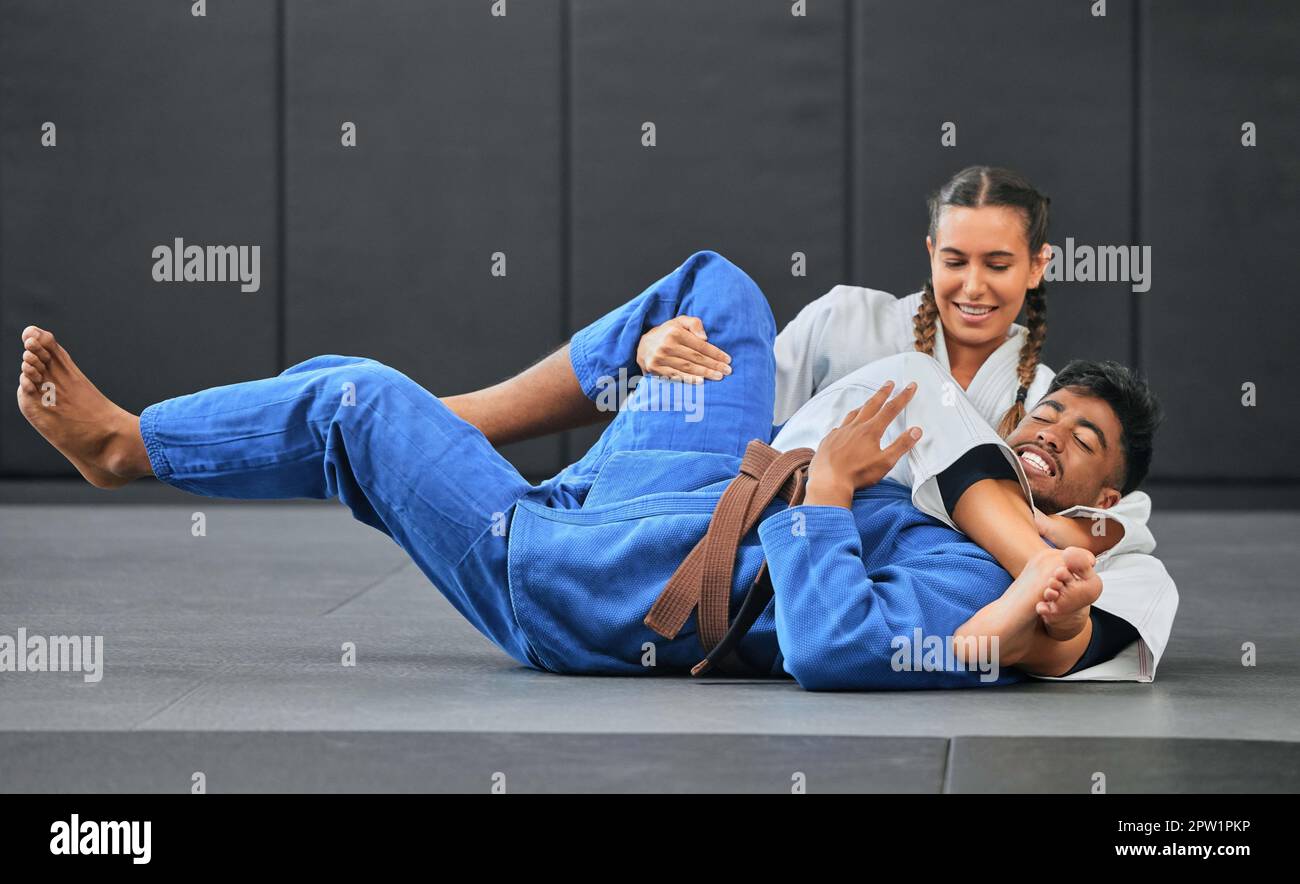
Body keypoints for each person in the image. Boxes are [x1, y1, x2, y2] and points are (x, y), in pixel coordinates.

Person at [16, 251, 1164, 690]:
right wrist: (671, 381)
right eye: (1051, 409)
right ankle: (453, 427)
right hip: (696, 476)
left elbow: (831, 647)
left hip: (595, 573)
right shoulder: (966, 472)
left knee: (350, 394)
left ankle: (126, 445)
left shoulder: (999, 587)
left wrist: (829, 492)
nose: (1053, 431)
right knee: (716, 294)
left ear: (1103, 505)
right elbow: (821, 414)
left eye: (1084, 442)